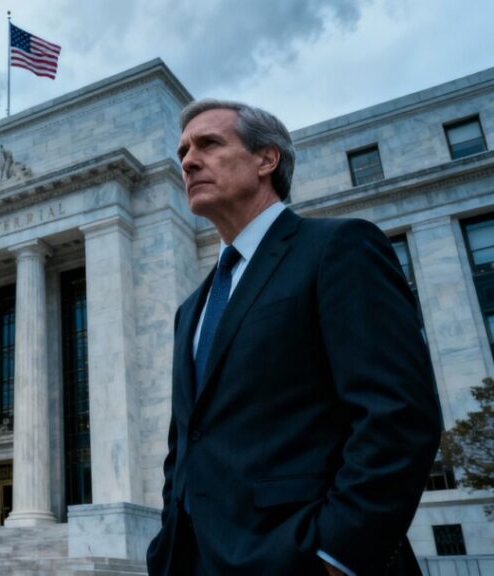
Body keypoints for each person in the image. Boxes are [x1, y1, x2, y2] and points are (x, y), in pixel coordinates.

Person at [145, 100, 442, 576]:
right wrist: (167, 548)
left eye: (209, 144)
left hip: (303, 557)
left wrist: (337, 554)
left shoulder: (338, 249)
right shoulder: (191, 308)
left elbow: (399, 415)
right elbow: (185, 444)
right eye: (182, 151)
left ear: (267, 160)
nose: (188, 161)